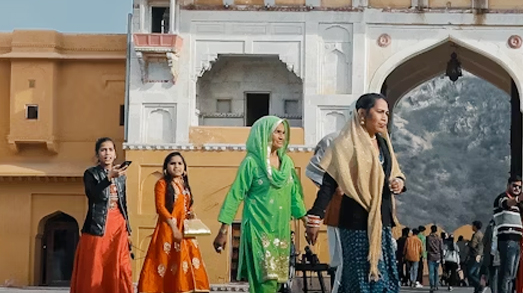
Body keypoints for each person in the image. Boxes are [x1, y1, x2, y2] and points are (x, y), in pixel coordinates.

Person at [305, 93, 407, 293]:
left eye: (386, 113)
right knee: (362, 281)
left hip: (381, 222)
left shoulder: (383, 143)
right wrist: (315, 217)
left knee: (385, 281)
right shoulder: (343, 146)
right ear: (362, 114)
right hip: (355, 224)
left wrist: (398, 182)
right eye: (379, 112)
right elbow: (328, 184)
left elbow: (394, 171)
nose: (385, 117)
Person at [215, 117, 304, 293]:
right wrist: (223, 230)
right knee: (266, 281)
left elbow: (294, 197)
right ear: (264, 134)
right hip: (258, 230)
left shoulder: (287, 164)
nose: (282, 137)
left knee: (277, 281)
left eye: (284, 133)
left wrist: (307, 223)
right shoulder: (252, 163)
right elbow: (235, 194)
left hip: (280, 232)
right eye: (277, 132)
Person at [140, 151, 210, 293]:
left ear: (184, 168)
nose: (176, 166)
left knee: (190, 261)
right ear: (166, 168)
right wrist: (174, 228)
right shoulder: (162, 184)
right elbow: (161, 207)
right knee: (165, 262)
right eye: (172, 163)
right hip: (168, 229)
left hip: (185, 230)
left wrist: (191, 214)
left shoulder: (184, 185)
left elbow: (186, 206)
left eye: (179, 163)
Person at [74, 137, 135, 293]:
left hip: (118, 224)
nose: (107, 153)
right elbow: (93, 195)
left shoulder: (121, 176)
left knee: (119, 264)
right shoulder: (91, 174)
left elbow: (124, 204)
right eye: (103, 150)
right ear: (97, 155)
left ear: (115, 154)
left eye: (110, 150)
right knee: (97, 265)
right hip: (98, 224)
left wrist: (129, 229)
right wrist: (108, 178)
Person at [490, 179, 523, 293]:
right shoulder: (502, 197)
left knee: (512, 275)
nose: (517, 189)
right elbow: (506, 203)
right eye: (514, 186)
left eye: (519, 187)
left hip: (516, 241)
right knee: (506, 273)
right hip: (507, 240)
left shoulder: (517, 206)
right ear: (508, 185)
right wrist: (518, 199)